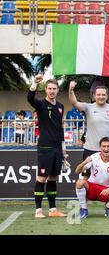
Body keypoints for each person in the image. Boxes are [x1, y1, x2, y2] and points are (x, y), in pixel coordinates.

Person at [27, 75, 67, 219]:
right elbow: (30, 98)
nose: (51, 91)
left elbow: (60, 127)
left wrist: (63, 148)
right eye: (49, 88)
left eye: (54, 89)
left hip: (57, 148)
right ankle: (38, 210)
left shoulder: (61, 106)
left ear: (58, 90)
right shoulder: (40, 104)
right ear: (45, 90)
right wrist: (34, 83)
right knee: (42, 178)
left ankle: (53, 209)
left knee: (53, 178)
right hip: (45, 147)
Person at [69, 81, 109, 176]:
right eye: (98, 94)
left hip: (108, 150)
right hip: (90, 149)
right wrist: (71, 90)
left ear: (107, 96)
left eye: (103, 95)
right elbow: (74, 102)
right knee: (86, 179)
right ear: (94, 96)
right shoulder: (88, 107)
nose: (101, 97)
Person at [75, 137, 109, 219]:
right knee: (80, 182)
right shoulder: (94, 157)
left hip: (105, 190)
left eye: (108, 146)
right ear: (100, 147)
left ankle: (108, 207)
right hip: (91, 188)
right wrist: (84, 162)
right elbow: (77, 171)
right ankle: (84, 209)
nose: (106, 149)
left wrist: (108, 190)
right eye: (104, 146)